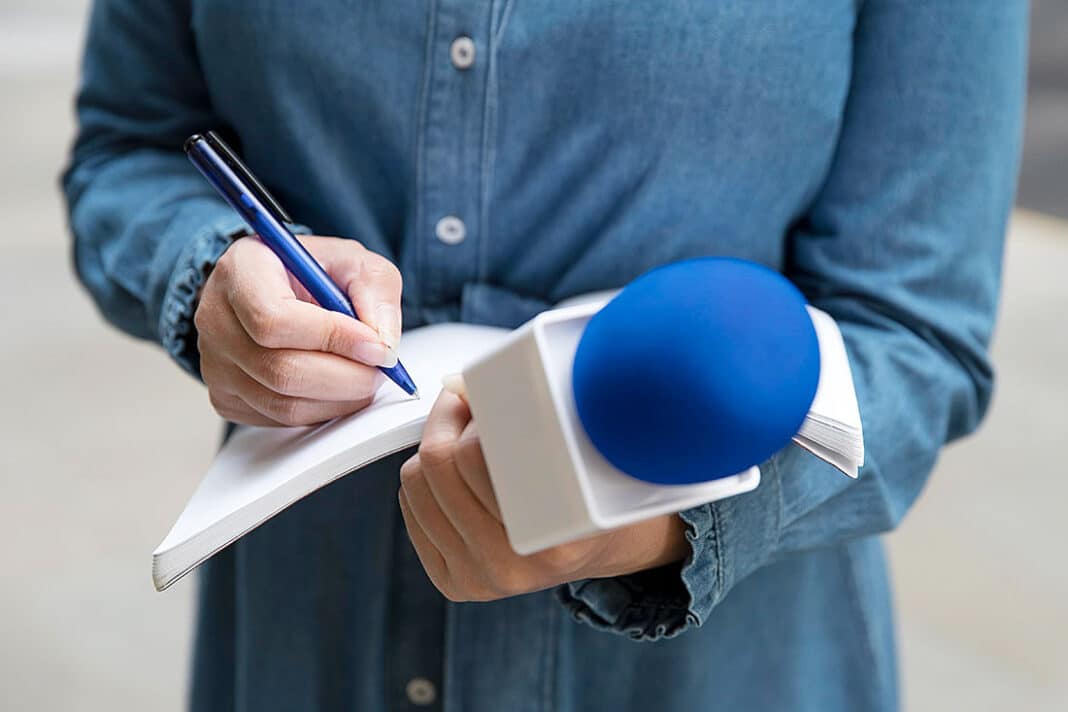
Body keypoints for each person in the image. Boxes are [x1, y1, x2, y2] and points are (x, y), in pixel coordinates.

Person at [63, 2, 1026, 711]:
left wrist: (651, 532)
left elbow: (916, 329)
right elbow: (127, 147)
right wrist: (206, 276)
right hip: (302, 643)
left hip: (722, 676)